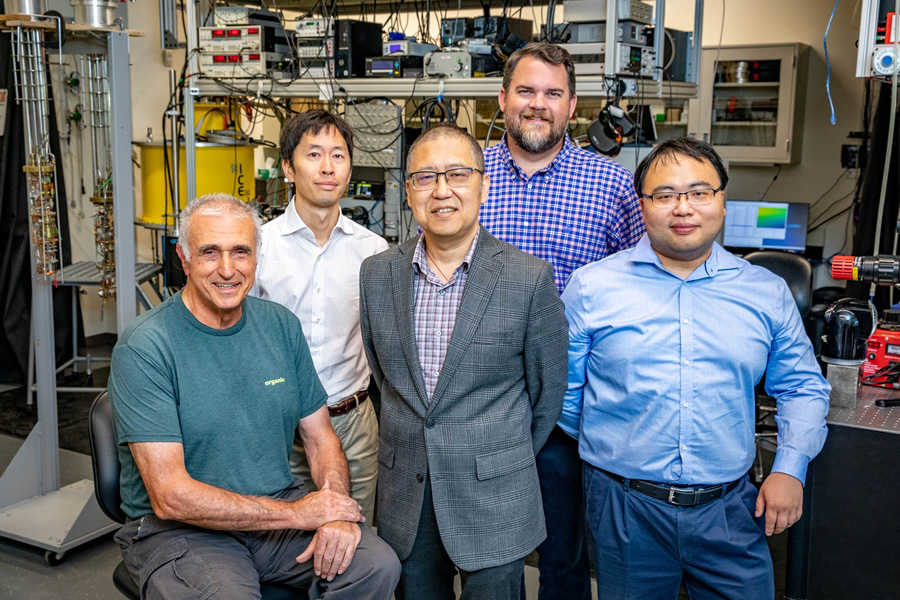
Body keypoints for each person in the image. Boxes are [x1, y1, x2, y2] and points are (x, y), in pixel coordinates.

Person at [560, 137, 830, 599]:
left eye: (699, 192)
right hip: (625, 510)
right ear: (642, 206)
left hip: (731, 509)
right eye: (664, 195)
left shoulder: (765, 292)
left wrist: (789, 467)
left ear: (722, 201)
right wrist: (617, 443)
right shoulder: (591, 287)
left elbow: (802, 388)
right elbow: (564, 394)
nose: (683, 208)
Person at [107, 193, 400, 599]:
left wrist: (333, 506)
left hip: (274, 514)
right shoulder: (145, 347)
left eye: (241, 252)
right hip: (180, 531)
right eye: (210, 252)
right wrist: (297, 513)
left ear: (257, 257)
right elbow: (171, 497)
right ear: (184, 258)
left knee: (376, 566)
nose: (228, 269)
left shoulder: (280, 326)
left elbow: (320, 438)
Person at [359, 124, 569, 600]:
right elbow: (382, 380)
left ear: (483, 185)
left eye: (457, 174)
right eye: (425, 177)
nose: (442, 190)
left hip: (495, 494)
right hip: (407, 494)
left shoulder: (528, 279)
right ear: (408, 191)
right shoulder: (376, 274)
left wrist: (497, 453)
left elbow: (546, 394)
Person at [479, 42, 645, 600]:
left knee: (563, 555)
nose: (538, 104)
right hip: (478, 396)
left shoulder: (613, 186)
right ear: (503, 98)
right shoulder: (467, 175)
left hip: (569, 405)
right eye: (525, 90)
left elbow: (639, 288)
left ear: (572, 106)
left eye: (553, 93)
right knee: (481, 550)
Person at [251, 110, 388, 526]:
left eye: (338, 155)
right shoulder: (259, 247)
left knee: (355, 539)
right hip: (276, 427)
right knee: (277, 540)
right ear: (288, 168)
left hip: (352, 423)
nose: (328, 167)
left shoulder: (374, 252)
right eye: (313, 154)